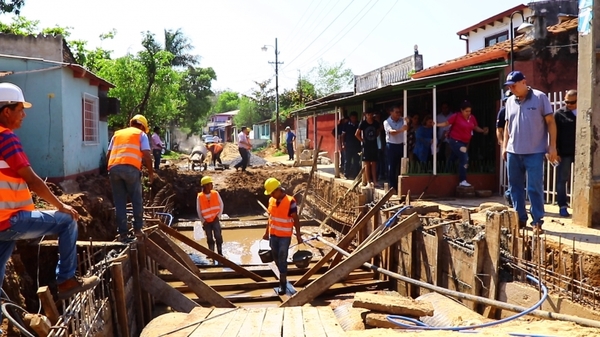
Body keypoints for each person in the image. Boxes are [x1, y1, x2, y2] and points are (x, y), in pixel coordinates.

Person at [0, 82, 99, 299]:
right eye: (20, 110)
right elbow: (33, 181)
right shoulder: (6, 138)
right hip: (10, 219)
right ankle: (66, 280)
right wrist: (60, 205)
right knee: (67, 221)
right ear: (6, 111)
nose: (24, 115)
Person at [502, 71, 557, 233]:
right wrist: (505, 146)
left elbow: (551, 122)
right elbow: (507, 125)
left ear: (523, 82)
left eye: (514, 85)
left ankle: (537, 221)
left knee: (534, 187)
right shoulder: (510, 101)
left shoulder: (540, 98)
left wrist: (552, 145)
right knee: (515, 187)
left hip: (535, 151)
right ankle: (519, 218)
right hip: (513, 151)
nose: (511, 89)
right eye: (509, 86)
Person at [107, 114, 154, 243]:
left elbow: (108, 154)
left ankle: (123, 234)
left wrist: (109, 170)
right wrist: (151, 173)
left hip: (114, 168)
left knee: (119, 203)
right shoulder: (141, 134)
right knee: (136, 199)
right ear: (143, 126)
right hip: (131, 169)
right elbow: (147, 155)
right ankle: (138, 229)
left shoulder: (117, 134)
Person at [262, 178, 302, 295]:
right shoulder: (271, 201)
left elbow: (295, 219)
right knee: (276, 258)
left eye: (273, 192)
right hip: (273, 235)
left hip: (284, 236)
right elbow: (270, 218)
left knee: (282, 257)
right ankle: (283, 274)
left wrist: (298, 235)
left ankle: (283, 284)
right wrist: (266, 232)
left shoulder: (290, 201)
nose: (271, 195)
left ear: (279, 190)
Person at [437, 100, 489, 187]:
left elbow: (475, 127)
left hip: (464, 142)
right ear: (461, 110)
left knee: (453, 158)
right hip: (455, 141)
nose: (468, 113)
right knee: (464, 158)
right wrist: (436, 125)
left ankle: (445, 172)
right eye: (466, 111)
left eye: (469, 111)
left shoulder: (472, 118)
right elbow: (446, 123)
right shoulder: (456, 116)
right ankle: (462, 180)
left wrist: (482, 131)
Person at [554, 89, 577, 217]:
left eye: (572, 102)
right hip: (564, 151)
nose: (568, 105)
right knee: (562, 179)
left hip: (581, 151)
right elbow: (554, 133)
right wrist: (555, 150)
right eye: (566, 102)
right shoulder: (559, 114)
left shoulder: (586, 112)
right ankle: (562, 205)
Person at [383, 105, 410, 191]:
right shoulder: (386, 122)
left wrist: (408, 121)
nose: (399, 114)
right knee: (392, 166)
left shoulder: (402, 120)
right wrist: (401, 130)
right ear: (391, 112)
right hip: (391, 145)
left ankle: (401, 186)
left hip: (401, 145)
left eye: (399, 112)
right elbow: (392, 132)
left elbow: (408, 123)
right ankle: (392, 186)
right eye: (396, 112)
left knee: (401, 166)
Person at [197, 176, 224, 255]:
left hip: (215, 219)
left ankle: (220, 253)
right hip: (206, 222)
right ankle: (211, 254)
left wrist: (218, 216)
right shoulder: (200, 197)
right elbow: (199, 209)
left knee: (218, 236)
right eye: (210, 184)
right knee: (209, 237)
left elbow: (221, 204)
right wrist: (203, 220)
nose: (212, 185)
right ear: (205, 186)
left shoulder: (215, 193)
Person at [496, 91, 514, 207]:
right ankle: (510, 196)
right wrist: (503, 145)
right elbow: (499, 129)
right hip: (509, 147)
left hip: (523, 147)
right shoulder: (503, 111)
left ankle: (510, 194)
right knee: (512, 175)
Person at [355, 109, 380, 187]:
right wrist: (362, 140)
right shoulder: (363, 123)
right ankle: (369, 182)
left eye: (371, 114)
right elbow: (356, 134)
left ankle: (375, 181)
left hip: (374, 145)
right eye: (368, 114)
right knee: (367, 164)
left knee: (374, 163)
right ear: (365, 115)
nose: (369, 116)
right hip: (366, 146)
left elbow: (378, 132)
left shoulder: (376, 123)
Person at [341, 112, 361, 180]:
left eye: (355, 118)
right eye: (352, 118)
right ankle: (346, 174)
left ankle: (356, 175)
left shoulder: (359, 124)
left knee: (356, 161)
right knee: (347, 160)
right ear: (350, 118)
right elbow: (343, 135)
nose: (354, 119)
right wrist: (343, 144)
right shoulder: (346, 125)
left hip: (357, 146)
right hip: (349, 145)